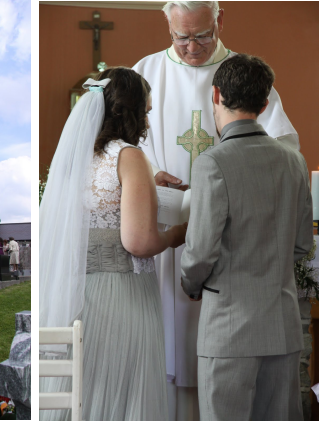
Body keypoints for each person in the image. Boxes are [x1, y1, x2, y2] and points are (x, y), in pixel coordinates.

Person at [131, 2, 300, 418]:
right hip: (165, 230)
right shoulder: (145, 72)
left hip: (232, 249)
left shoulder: (245, 76)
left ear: (219, 21)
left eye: (202, 35)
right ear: (167, 26)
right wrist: (147, 176)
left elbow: (284, 151)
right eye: (181, 36)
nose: (191, 47)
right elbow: (122, 147)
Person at [39, 68, 187, 421]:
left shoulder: (76, 160)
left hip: (78, 291)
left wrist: (148, 185)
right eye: (146, 112)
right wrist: (176, 234)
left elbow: (97, 202)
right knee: (124, 389)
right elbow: (138, 242)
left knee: (85, 388)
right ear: (131, 111)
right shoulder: (129, 156)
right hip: (122, 294)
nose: (147, 121)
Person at [180, 54, 312, 421]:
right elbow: (302, 244)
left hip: (228, 328)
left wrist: (190, 284)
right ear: (265, 103)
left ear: (216, 94)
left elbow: (200, 253)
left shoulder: (213, 162)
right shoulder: (294, 161)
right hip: (282, 327)